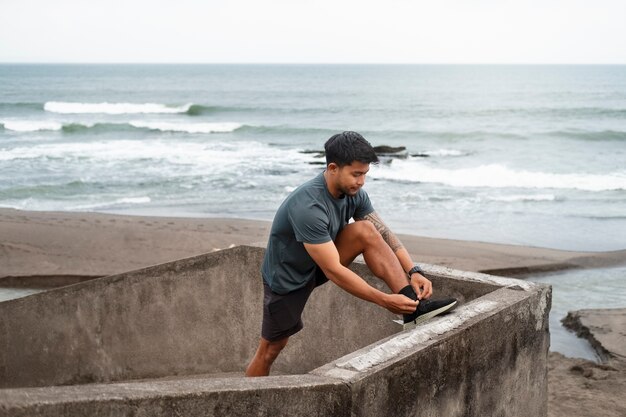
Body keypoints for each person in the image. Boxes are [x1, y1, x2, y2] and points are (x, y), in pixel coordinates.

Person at [245, 131, 457, 377]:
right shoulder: (308, 207)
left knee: (367, 230)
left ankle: (414, 309)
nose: (361, 181)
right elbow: (333, 270)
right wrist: (383, 300)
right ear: (333, 168)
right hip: (288, 279)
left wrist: (414, 270)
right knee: (271, 349)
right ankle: (249, 396)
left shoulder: (354, 194)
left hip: (322, 260)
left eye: (365, 174)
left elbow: (383, 233)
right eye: (356, 174)